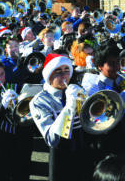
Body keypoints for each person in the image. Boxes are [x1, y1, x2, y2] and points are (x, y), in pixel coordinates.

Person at [29, 53, 94, 181]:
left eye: (66, 70)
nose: (64, 75)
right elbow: (52, 139)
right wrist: (69, 107)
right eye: (57, 71)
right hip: (61, 158)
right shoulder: (39, 101)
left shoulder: (78, 91)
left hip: (85, 154)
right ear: (48, 76)